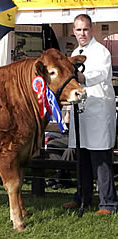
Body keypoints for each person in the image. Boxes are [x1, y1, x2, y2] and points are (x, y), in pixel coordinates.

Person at [62, 14, 118, 215]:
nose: (82, 33)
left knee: (100, 159)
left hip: (98, 112)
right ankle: (82, 197)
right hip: (81, 113)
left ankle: (108, 202)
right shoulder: (75, 52)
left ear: (91, 29)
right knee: (82, 157)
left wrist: (81, 77)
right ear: (73, 31)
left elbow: (101, 74)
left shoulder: (101, 51)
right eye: (78, 30)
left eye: (85, 29)